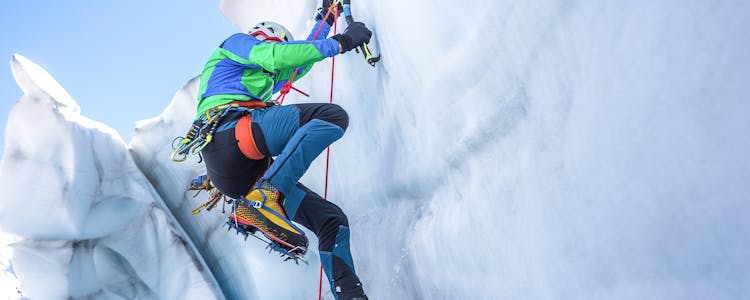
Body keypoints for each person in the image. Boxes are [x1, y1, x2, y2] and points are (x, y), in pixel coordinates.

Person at [182, 1, 371, 300]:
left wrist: (326, 18)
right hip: (230, 134)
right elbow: (276, 55)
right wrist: (342, 42)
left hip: (237, 174)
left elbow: (299, 62)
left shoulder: (262, 80)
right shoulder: (239, 44)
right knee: (330, 117)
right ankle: (267, 197)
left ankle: (350, 295)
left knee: (330, 221)